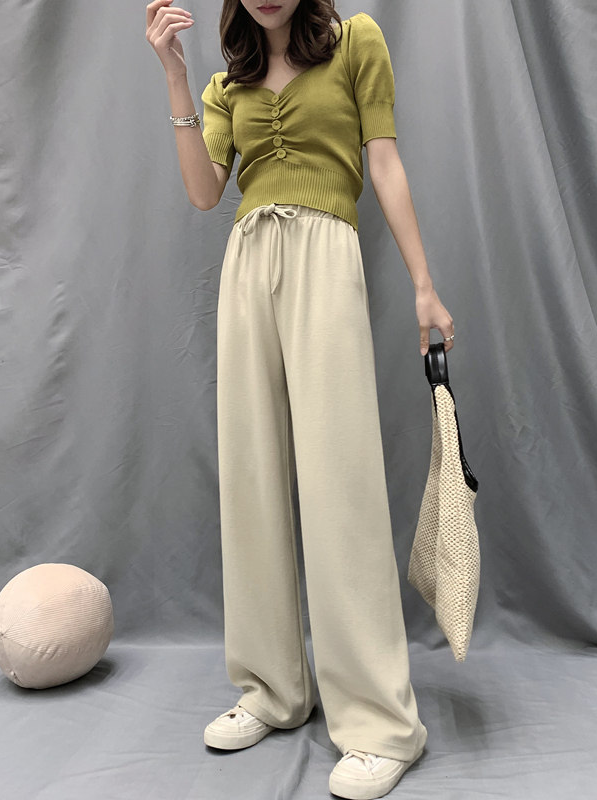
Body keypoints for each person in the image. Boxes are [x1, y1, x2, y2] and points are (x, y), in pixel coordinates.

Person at [146, 1, 455, 797]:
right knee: (251, 478)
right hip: (249, 264)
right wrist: (175, 74)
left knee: (338, 482)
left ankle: (381, 724)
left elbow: (383, 164)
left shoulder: (356, 42)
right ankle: (273, 689)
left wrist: (423, 285)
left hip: (325, 252)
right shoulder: (228, 86)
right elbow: (203, 193)